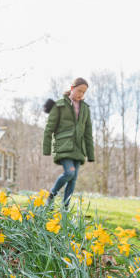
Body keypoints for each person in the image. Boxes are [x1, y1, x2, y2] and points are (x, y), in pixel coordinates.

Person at [42, 77, 95, 207]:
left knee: (73, 180)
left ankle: (65, 209)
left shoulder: (85, 109)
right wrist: (46, 148)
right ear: (72, 88)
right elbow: (49, 128)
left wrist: (90, 154)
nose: (81, 94)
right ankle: (51, 195)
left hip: (78, 148)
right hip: (63, 146)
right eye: (79, 90)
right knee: (69, 173)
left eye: (84, 92)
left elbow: (88, 133)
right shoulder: (59, 105)